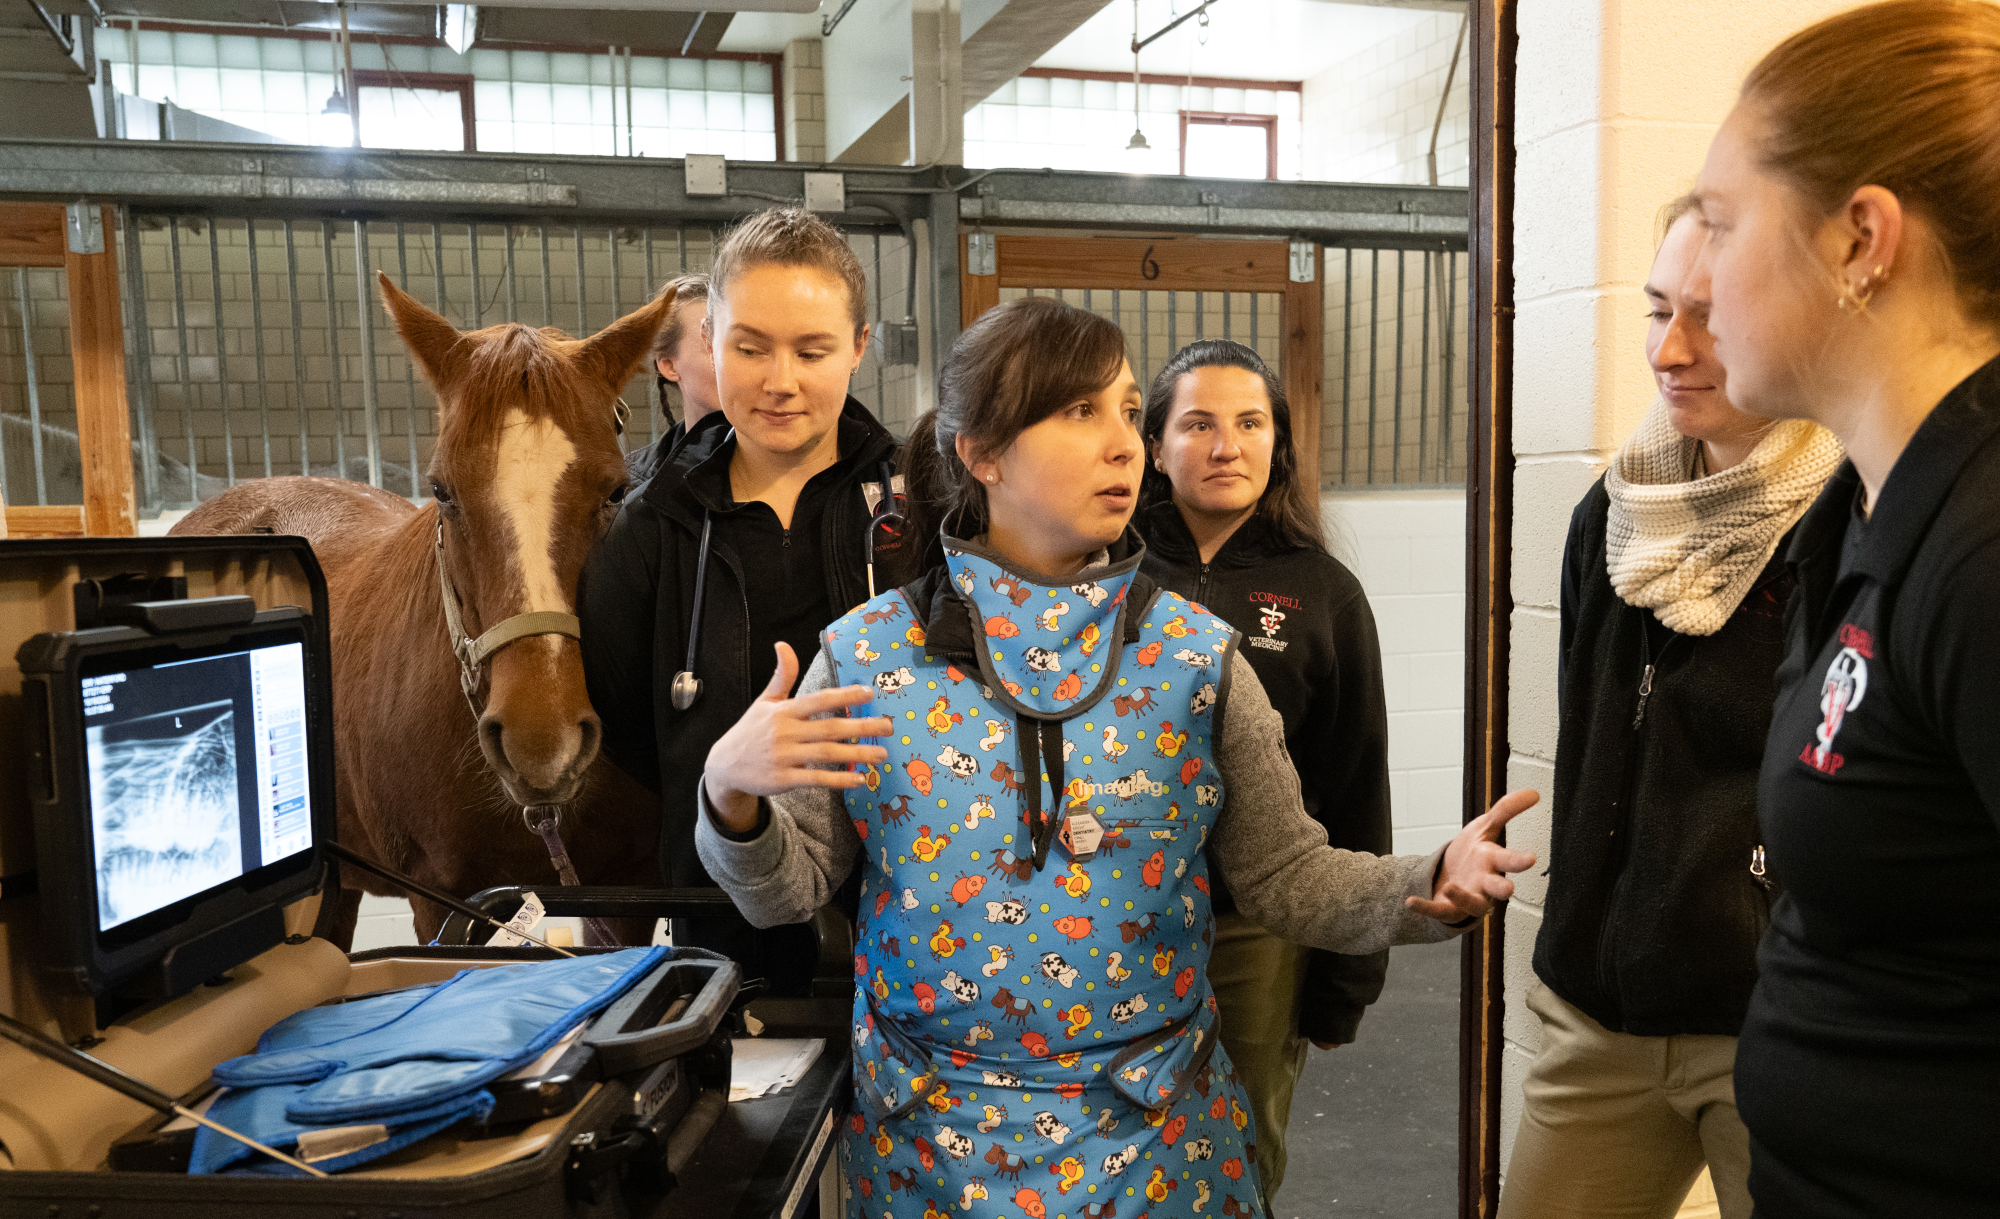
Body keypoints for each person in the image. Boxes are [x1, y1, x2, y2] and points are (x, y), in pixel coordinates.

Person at [691, 295, 1540, 1217]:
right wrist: (730, 795)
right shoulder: (866, 658)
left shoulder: (1196, 658)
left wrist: (1426, 883)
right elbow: (789, 890)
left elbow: (1288, 875)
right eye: (1079, 412)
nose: (1125, 444)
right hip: (929, 1150)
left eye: (1130, 411)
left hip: (1157, 1147)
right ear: (981, 453)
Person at [1687, 2, 2000, 1213]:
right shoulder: (1857, 510)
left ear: (1860, 236)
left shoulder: (1980, 548)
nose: (1699, 286)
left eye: (1719, 224)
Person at [1496, 200, 1842, 1219]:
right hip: (1594, 1014)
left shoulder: (1847, 525)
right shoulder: (1609, 510)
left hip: (1768, 1024)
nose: (1669, 349)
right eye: (1654, 311)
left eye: (1707, 314)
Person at [580, 207, 909, 993]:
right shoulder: (650, 525)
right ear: (711, 341)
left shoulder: (912, 508)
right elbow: (628, 716)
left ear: (859, 347)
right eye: (749, 347)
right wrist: (716, 772)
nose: (779, 380)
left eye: (812, 349)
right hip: (716, 910)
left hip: (903, 905)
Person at [1133, 339, 1391, 1207]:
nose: (1225, 446)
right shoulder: (1102, 569)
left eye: (1250, 423)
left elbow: (1356, 783)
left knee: (1238, 1150)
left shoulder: (1325, 593)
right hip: (1110, 919)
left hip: (1256, 930)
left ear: (1279, 443)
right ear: (1155, 443)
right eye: (1197, 423)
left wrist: (1347, 980)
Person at [625, 272, 719, 483]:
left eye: (743, 347)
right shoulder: (631, 487)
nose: (728, 363)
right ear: (668, 365)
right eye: (713, 346)